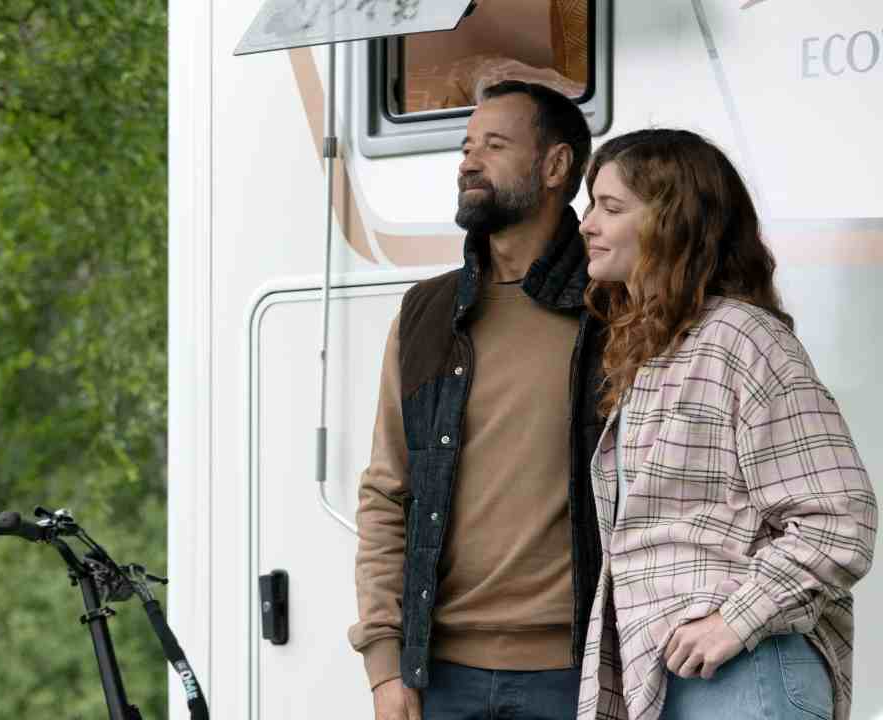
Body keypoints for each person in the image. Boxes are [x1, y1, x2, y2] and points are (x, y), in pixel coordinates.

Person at [574, 128, 877, 720]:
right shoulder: (657, 349)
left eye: (611, 207)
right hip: (680, 674)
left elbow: (841, 519)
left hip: (742, 673)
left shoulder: (740, 337)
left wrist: (734, 621)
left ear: (673, 224)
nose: (587, 224)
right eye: (592, 206)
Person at [349, 80, 605, 720]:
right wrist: (385, 665)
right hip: (441, 678)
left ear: (555, 166)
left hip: (578, 674)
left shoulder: (614, 307)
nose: (468, 161)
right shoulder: (426, 314)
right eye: (466, 146)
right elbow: (387, 493)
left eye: (494, 145)